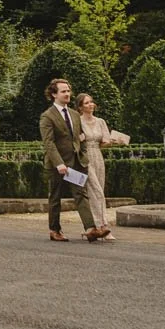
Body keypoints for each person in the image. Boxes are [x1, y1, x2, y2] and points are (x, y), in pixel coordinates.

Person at [41, 79, 104, 242]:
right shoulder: (47, 116)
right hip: (57, 165)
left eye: (68, 91)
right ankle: (55, 230)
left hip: (76, 163)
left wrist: (82, 155)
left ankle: (90, 229)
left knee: (81, 194)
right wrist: (59, 163)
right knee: (55, 198)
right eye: (63, 91)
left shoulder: (75, 115)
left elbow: (81, 138)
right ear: (54, 94)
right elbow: (49, 143)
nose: (67, 94)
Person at [75, 90, 122, 241]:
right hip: (85, 158)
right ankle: (103, 225)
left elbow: (105, 142)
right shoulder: (78, 121)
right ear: (80, 107)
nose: (91, 105)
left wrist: (113, 141)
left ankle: (99, 226)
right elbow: (75, 141)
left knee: (99, 190)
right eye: (87, 103)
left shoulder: (100, 121)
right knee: (96, 192)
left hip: (98, 157)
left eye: (91, 102)